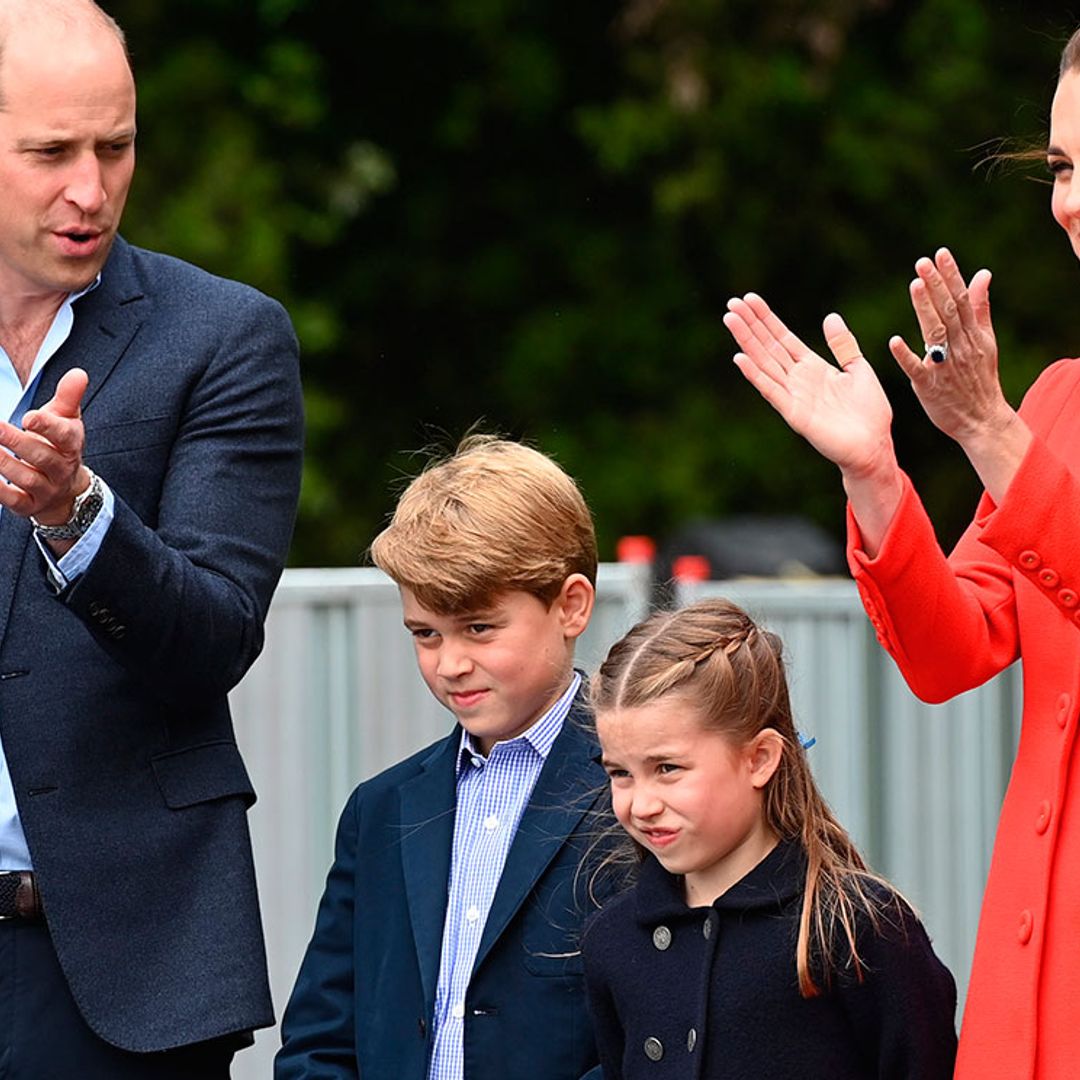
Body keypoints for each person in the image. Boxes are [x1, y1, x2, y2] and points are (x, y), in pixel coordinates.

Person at [722, 25, 1080, 1080]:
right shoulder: (1061, 399)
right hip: (1035, 996)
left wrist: (990, 434)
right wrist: (875, 474)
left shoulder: (1030, 422)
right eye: (1061, 166)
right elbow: (950, 652)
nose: (1065, 199)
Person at [0, 1, 304, 1076]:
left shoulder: (225, 337)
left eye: (115, 147)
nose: (90, 189)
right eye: (49, 153)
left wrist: (79, 520)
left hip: (120, 970)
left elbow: (215, 638)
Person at [276, 436, 614, 1080]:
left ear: (570, 605)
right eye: (425, 633)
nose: (450, 663)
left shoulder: (642, 794)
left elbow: (665, 1032)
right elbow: (320, 1037)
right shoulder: (379, 810)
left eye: (480, 628)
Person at [582, 599, 958, 1079]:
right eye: (620, 773)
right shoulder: (611, 939)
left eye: (667, 768)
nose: (641, 803)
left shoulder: (856, 927)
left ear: (760, 758)